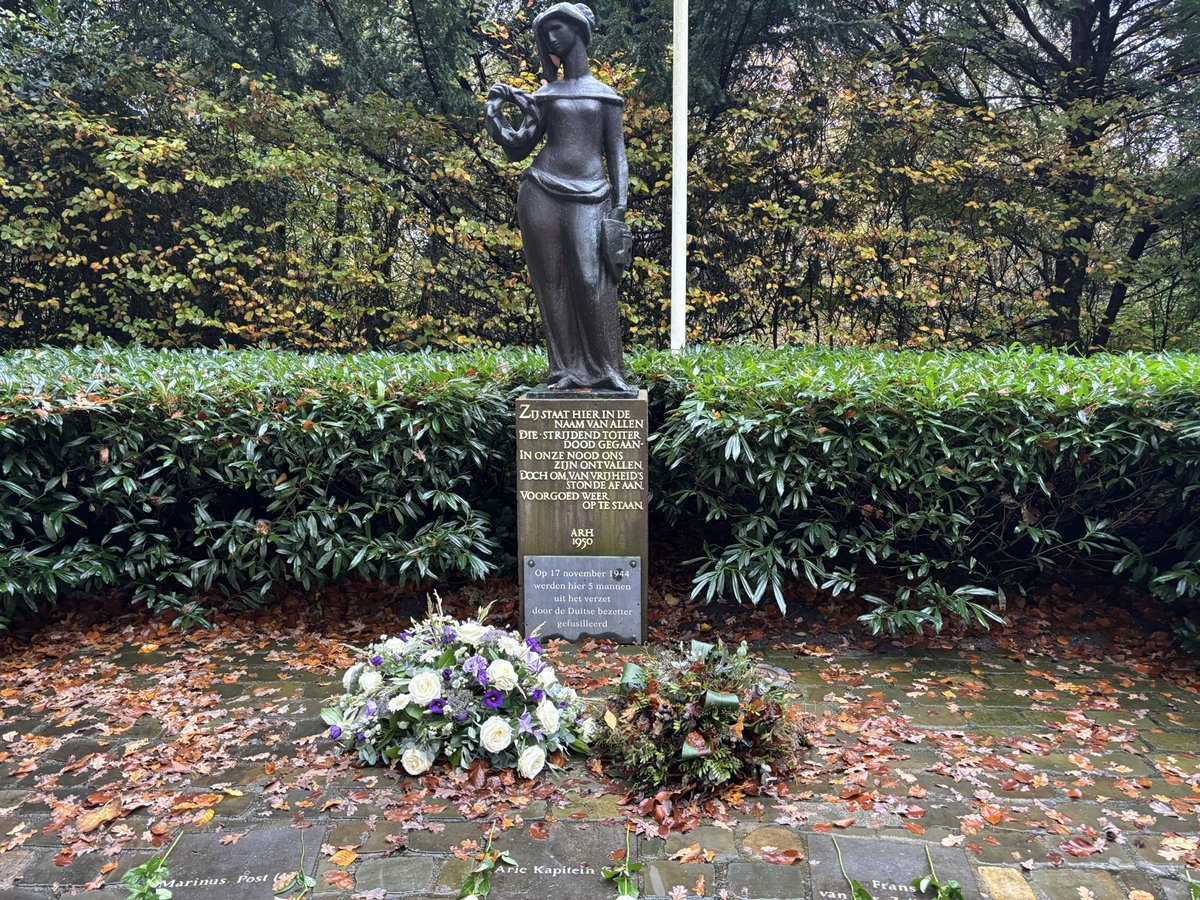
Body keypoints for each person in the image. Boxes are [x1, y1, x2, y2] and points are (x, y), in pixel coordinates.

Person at [484, 3, 633, 393]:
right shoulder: (546, 94)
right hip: (541, 193)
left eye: (557, 29)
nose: (550, 38)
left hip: (593, 196)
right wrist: (495, 114)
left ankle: (607, 370)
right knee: (551, 285)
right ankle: (565, 370)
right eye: (545, 32)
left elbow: (616, 155)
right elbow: (518, 148)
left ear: (577, 30)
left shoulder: (605, 96)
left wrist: (619, 206)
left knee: (590, 279)